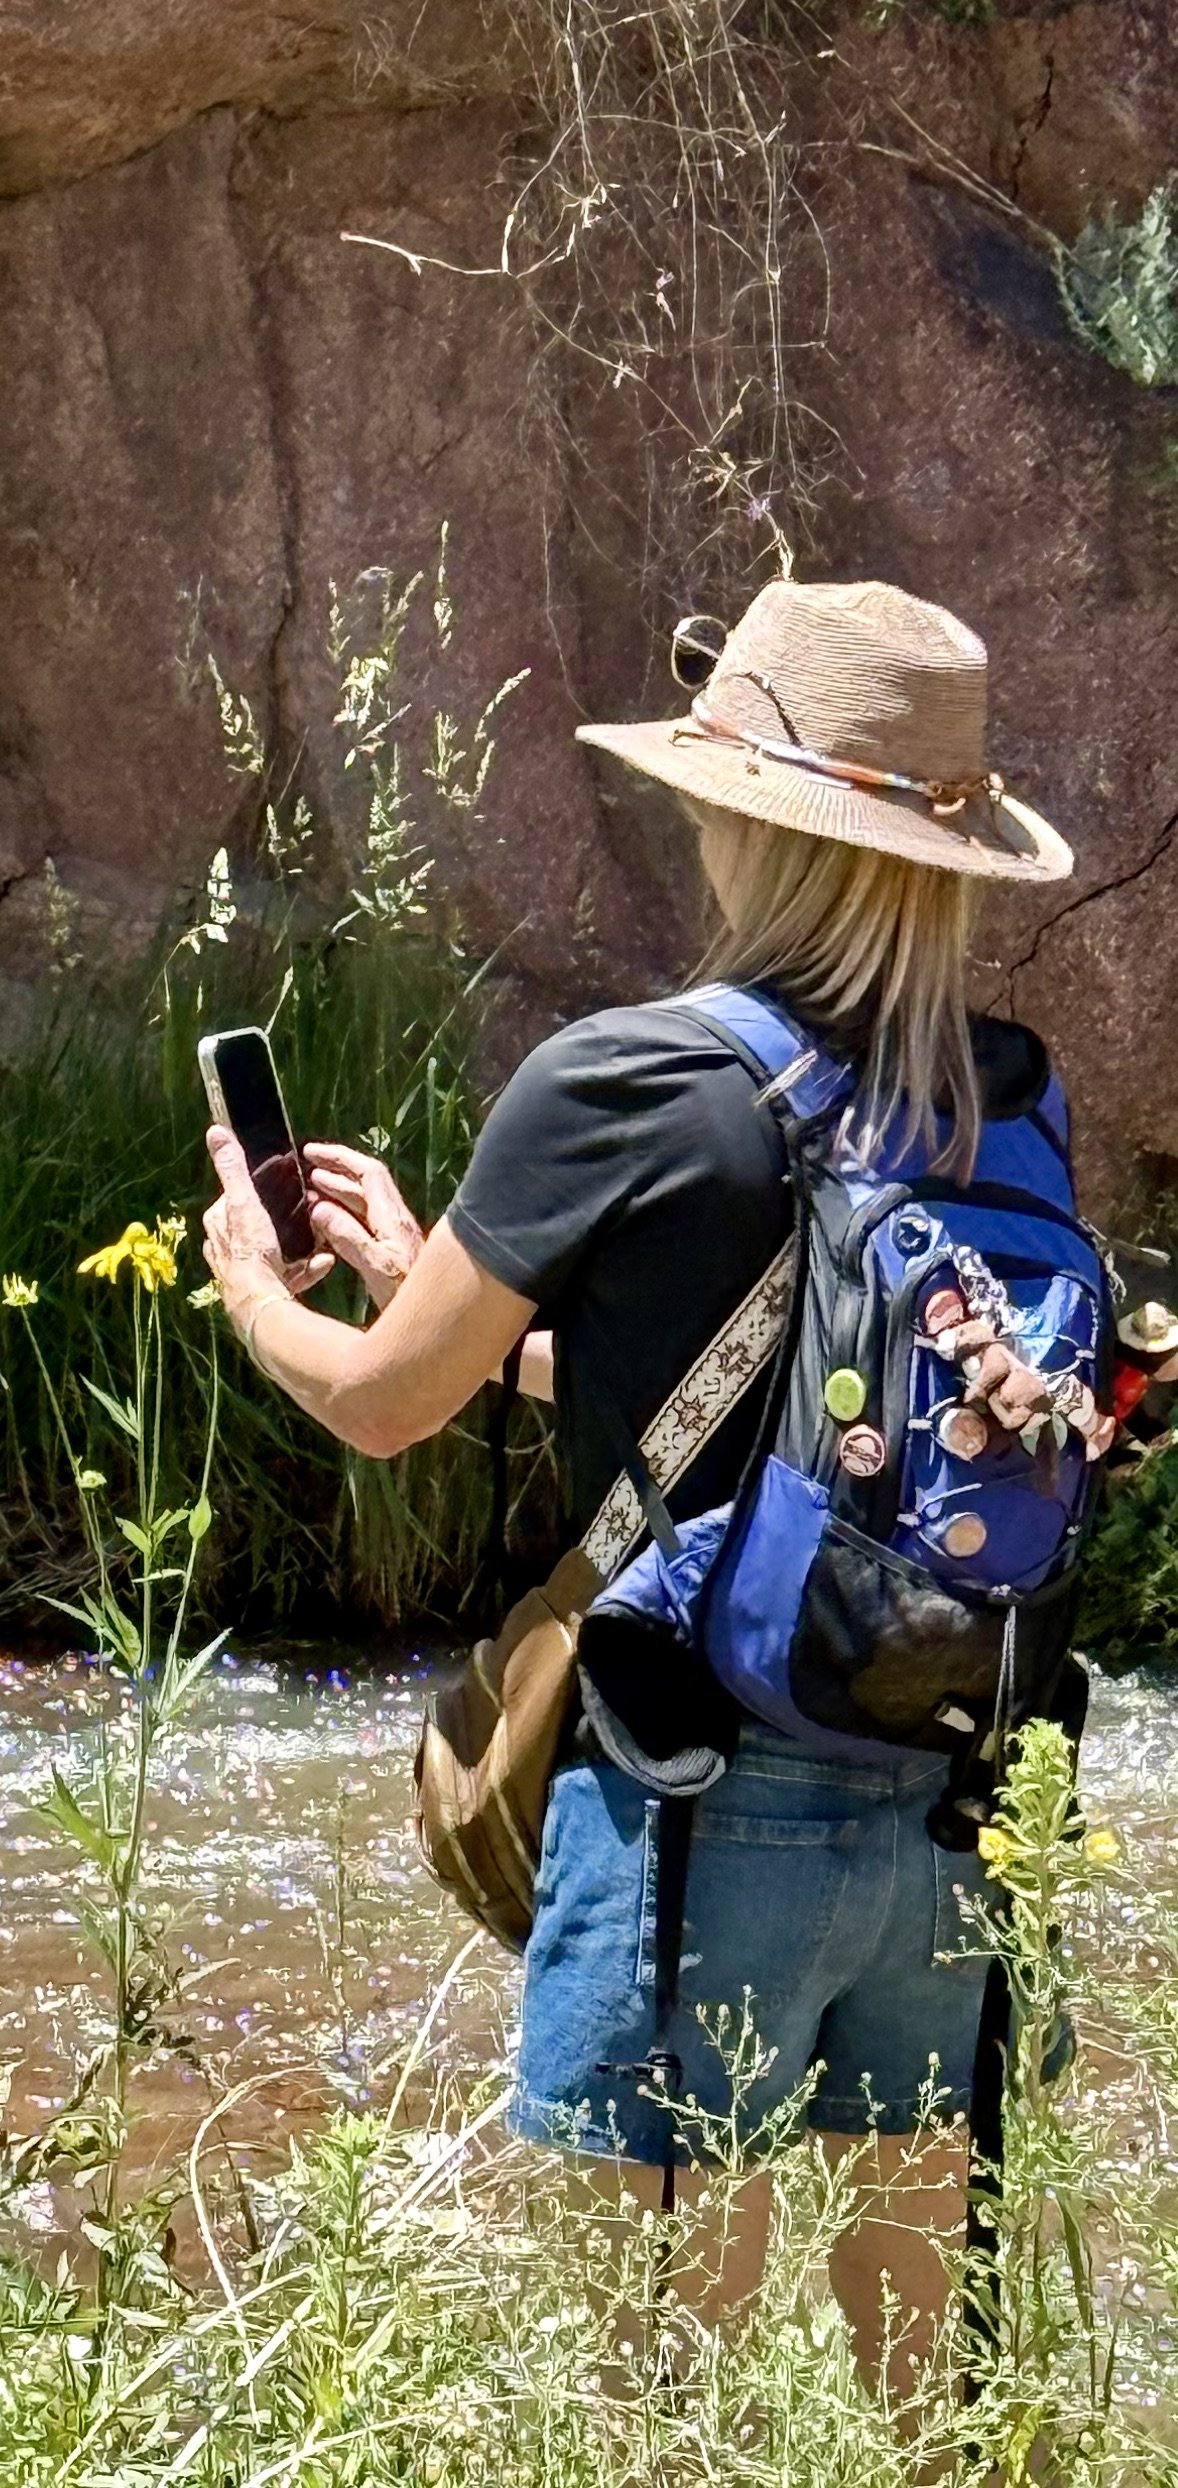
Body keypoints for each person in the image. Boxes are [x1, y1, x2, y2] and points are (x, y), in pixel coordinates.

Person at [198, 579, 1081, 2384]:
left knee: (647, 2394)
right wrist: (432, 1281)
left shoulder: (628, 1077)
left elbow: (379, 1410)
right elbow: (770, 1404)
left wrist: (255, 1292)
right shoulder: (1006, 1095)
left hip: (699, 1797)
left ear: (743, 814)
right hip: (953, 1807)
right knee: (922, 2405)